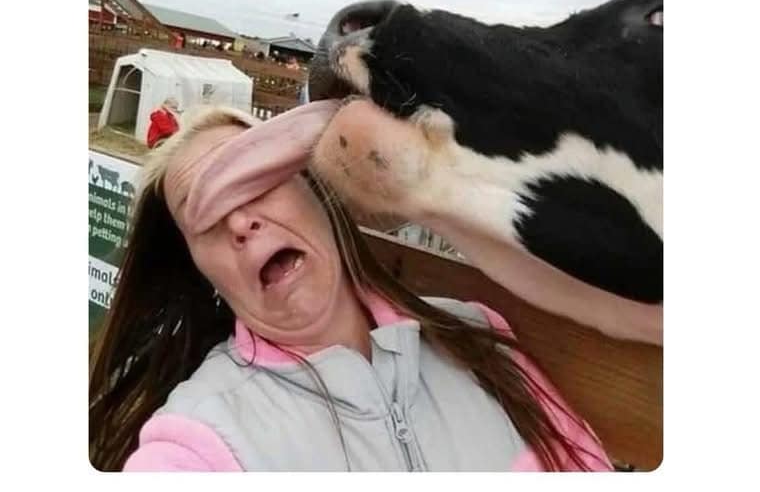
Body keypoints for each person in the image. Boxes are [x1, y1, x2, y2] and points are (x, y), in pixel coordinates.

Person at [89, 102, 611, 472]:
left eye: (259, 181)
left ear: (317, 191)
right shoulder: (203, 440)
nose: (241, 222)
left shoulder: (478, 337)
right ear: (203, 271)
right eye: (205, 217)